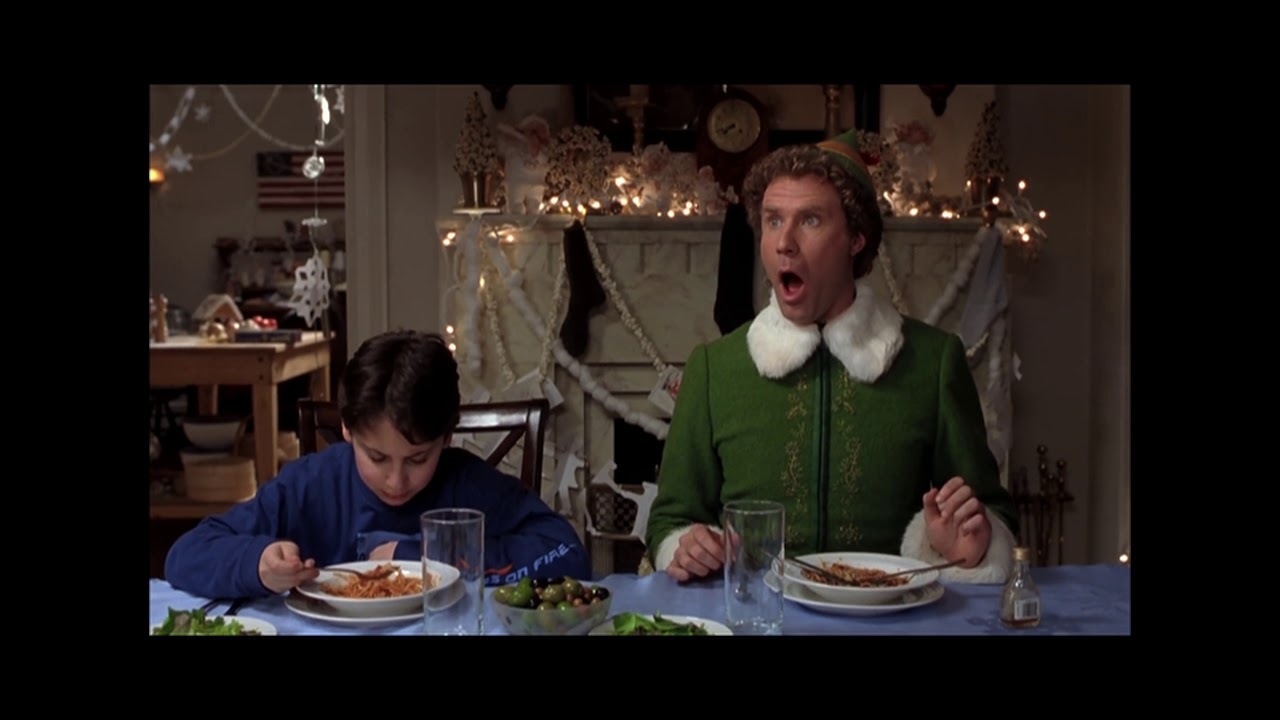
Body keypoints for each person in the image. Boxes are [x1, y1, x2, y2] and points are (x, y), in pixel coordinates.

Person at [645, 129, 1020, 584]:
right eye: (773, 220)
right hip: (760, 623)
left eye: (810, 220)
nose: (785, 242)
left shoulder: (934, 362)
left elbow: (990, 511)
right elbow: (669, 521)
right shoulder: (713, 369)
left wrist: (971, 547)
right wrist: (685, 546)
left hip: (889, 622)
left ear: (856, 238)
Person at [165, 329, 590, 599]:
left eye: (418, 458)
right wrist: (257, 563)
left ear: (447, 436)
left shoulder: (467, 484)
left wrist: (423, 558)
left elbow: (569, 554)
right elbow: (185, 556)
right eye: (377, 456)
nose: (396, 479)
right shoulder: (310, 485)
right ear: (347, 429)